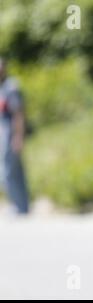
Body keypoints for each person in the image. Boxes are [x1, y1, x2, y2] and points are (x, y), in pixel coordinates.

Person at [0, 57, 29, 214]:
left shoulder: (11, 87)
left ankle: (19, 205)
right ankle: (21, 206)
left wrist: (18, 137)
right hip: (3, 135)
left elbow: (18, 114)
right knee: (11, 171)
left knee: (9, 172)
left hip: (10, 135)